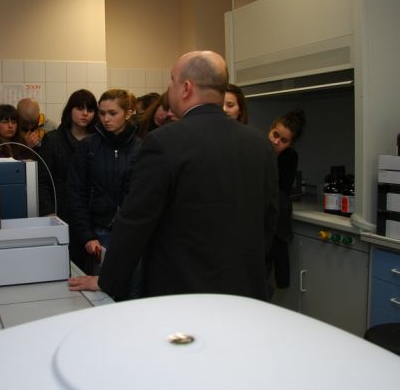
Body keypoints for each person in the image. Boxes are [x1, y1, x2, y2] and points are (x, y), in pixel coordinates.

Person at [68, 51, 278, 301]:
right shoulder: (260, 144)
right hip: (244, 291)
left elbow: (136, 220)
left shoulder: (163, 142)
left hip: (182, 292)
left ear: (186, 88)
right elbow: (269, 220)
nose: (169, 88)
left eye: (171, 80)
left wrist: (107, 279)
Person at [68, 89, 141, 278]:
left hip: (132, 233)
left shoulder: (141, 148)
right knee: (102, 287)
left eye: (113, 113)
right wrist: (87, 235)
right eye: (102, 113)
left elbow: (145, 194)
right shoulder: (88, 147)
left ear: (128, 113)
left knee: (133, 287)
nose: (106, 119)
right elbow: (76, 193)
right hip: (99, 232)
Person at [38, 89, 98, 271]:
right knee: (62, 266)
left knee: (91, 267)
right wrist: (49, 212)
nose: (85, 114)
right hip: (62, 212)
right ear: (70, 110)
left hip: (92, 214)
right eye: (80, 108)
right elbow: (43, 180)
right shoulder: (53, 139)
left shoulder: (98, 141)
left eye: (90, 110)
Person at [267, 108, 306, 290]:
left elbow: (281, 188)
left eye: (284, 141)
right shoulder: (256, 147)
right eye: (275, 135)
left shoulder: (289, 157)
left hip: (275, 214)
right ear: (271, 129)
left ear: (291, 143)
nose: (276, 142)